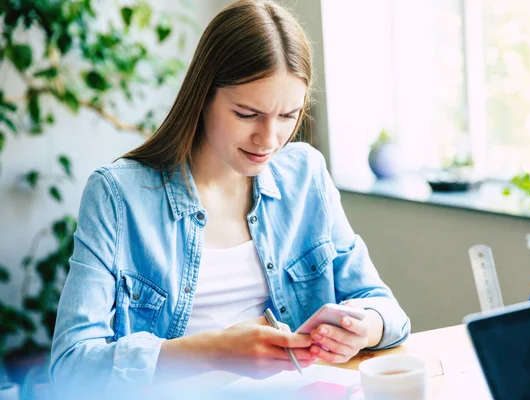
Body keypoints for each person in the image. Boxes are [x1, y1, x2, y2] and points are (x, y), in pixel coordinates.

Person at [50, 0, 410, 397]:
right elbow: (71, 366)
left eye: (288, 116)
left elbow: (383, 306)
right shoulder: (118, 196)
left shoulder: (305, 174)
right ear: (203, 96)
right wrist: (215, 350)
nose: (269, 139)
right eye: (246, 113)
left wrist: (365, 327)